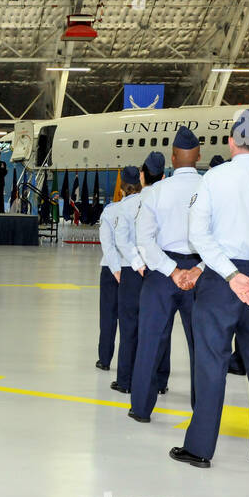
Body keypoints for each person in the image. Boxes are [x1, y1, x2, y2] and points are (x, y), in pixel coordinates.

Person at [172, 109, 249, 469]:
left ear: (231, 142)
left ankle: (201, 448)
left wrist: (229, 274)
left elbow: (198, 235)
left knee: (211, 363)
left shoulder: (213, 179)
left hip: (222, 283)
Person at [129, 128, 204, 422]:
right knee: (201, 344)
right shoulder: (209, 188)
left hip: (161, 274)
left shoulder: (156, 192)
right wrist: (198, 269)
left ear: (173, 158)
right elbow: (219, 240)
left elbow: (144, 240)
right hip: (199, 273)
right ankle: (202, 409)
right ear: (198, 157)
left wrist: (171, 270)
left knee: (150, 340)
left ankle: (141, 407)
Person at [111, 158, 170, 395]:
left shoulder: (124, 207)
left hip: (132, 272)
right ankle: (159, 381)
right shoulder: (162, 201)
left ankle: (125, 381)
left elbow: (121, 240)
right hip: (159, 270)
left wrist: (137, 263)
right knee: (159, 327)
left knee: (129, 328)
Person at [96, 195, 121, 370]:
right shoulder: (145, 206)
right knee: (134, 319)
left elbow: (107, 243)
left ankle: (105, 359)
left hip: (111, 269)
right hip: (136, 269)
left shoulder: (111, 210)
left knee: (108, 317)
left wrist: (115, 268)